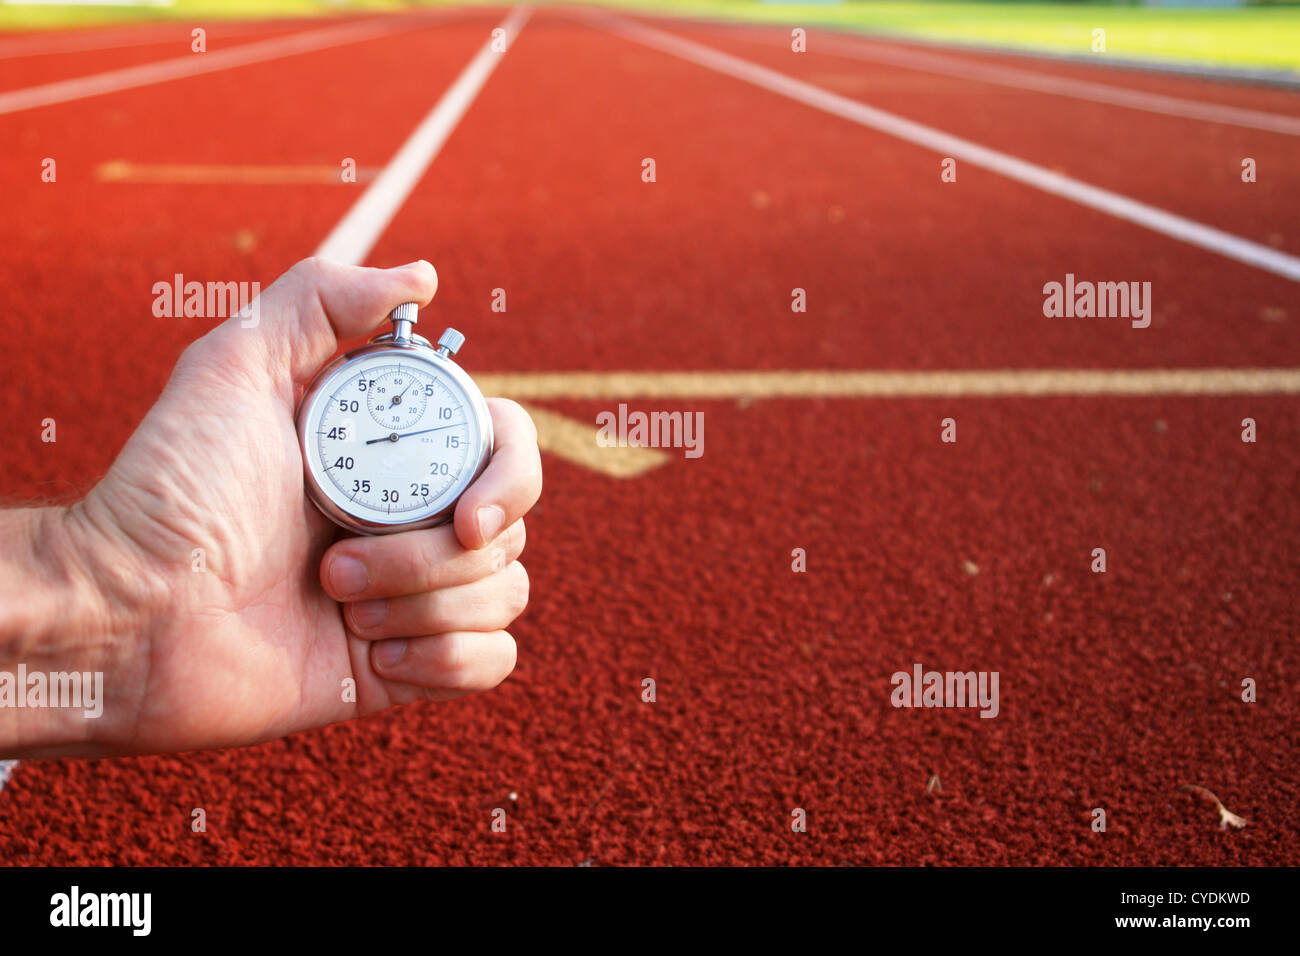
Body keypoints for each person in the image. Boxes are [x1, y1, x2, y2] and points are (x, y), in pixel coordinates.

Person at [0, 258, 540, 758]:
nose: (392, 432)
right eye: (381, 423)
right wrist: (118, 581)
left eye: (411, 429)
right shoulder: (332, 408)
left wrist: (108, 598)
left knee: (472, 535)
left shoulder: (438, 413)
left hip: (267, 615)